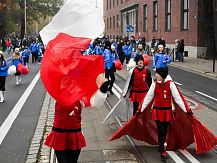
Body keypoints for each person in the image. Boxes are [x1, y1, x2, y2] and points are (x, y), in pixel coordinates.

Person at [140, 67, 187, 161]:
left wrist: (186, 111)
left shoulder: (171, 84)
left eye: (158, 74)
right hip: (157, 111)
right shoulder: (154, 85)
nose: (156, 75)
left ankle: (162, 146)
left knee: (164, 130)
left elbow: (177, 99)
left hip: (167, 111)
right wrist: (140, 110)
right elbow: (148, 98)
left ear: (163, 75)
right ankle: (162, 151)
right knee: (161, 130)